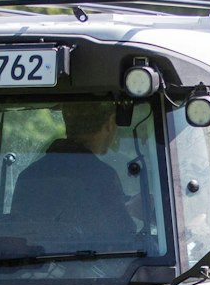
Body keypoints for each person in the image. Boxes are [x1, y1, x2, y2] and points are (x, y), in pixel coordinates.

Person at [10, 102, 133, 242]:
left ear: (66, 120)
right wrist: (132, 210)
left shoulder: (28, 175)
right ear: (111, 122)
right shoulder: (102, 176)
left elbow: (19, 236)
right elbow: (122, 237)